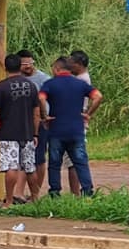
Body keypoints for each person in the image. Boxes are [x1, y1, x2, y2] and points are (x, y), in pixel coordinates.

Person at [39, 56, 103, 197]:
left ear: (56, 69)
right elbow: (98, 96)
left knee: (55, 163)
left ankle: (55, 192)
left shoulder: (50, 84)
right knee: (80, 162)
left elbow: (41, 98)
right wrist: (88, 114)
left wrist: (45, 116)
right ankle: (87, 191)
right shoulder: (80, 84)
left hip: (56, 130)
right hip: (76, 130)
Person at [0, 53, 41, 206]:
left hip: (8, 133)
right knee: (29, 167)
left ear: (5, 67)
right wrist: (35, 133)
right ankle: (36, 199)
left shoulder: (2, 86)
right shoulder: (31, 86)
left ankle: (9, 201)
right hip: (28, 132)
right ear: (20, 66)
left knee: (11, 167)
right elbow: (36, 112)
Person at [15, 49, 50, 201]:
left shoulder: (43, 79)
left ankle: (35, 193)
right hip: (21, 123)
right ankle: (19, 193)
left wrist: (45, 117)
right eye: (23, 64)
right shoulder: (16, 78)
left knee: (39, 159)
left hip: (40, 123)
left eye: (29, 63)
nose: (27, 67)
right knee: (22, 159)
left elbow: (45, 101)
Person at [66, 49, 92, 195]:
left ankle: (75, 193)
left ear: (79, 64)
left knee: (73, 161)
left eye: (72, 63)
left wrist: (87, 114)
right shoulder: (81, 78)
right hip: (76, 121)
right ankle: (79, 192)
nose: (69, 66)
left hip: (74, 123)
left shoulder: (81, 80)